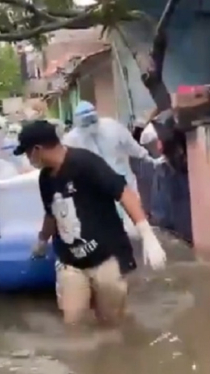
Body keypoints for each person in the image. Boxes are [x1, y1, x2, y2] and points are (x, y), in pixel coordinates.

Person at [13, 120, 167, 326]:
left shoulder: (86, 163)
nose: (28, 159)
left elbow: (124, 194)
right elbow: (52, 214)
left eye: (27, 153)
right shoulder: (45, 179)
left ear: (37, 150)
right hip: (71, 261)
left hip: (106, 257)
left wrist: (147, 235)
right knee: (74, 324)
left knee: (113, 322)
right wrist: (42, 242)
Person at [62, 101, 162, 239]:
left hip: (124, 182)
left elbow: (131, 146)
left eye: (92, 120)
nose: (90, 125)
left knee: (134, 226)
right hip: (96, 189)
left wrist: (149, 159)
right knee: (105, 230)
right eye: (86, 122)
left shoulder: (112, 127)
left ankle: (139, 245)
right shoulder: (71, 140)